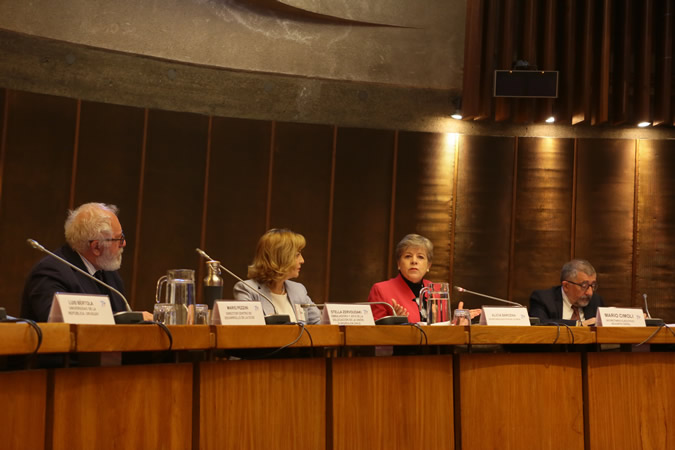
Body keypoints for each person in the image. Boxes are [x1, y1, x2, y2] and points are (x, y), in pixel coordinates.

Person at [21, 202, 150, 322]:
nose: (124, 244)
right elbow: (60, 323)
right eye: (119, 239)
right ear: (96, 247)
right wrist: (133, 318)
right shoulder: (50, 273)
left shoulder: (109, 273)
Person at [367, 234, 478, 323]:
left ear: (428, 265)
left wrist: (456, 323)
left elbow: (440, 328)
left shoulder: (435, 290)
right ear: (398, 264)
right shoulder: (381, 290)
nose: (414, 261)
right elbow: (374, 335)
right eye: (408, 256)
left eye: (420, 257)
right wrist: (394, 322)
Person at [233, 228, 321, 324]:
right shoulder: (248, 290)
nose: (302, 260)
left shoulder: (298, 290)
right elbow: (246, 332)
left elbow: (321, 326)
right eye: (297, 255)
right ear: (281, 257)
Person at [529, 259, 604, 326]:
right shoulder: (543, 299)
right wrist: (578, 324)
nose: (590, 293)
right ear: (566, 286)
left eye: (593, 285)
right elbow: (539, 323)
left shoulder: (596, 301)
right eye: (584, 286)